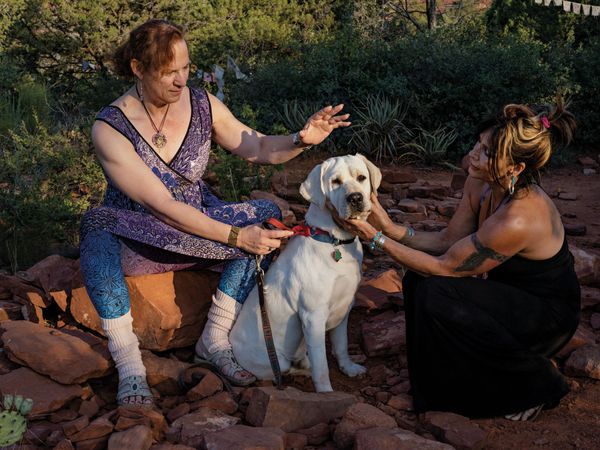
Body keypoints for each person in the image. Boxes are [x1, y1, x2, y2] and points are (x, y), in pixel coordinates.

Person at [79, 19, 350, 407]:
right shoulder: (110, 127)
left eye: (186, 68)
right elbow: (163, 207)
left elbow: (256, 147)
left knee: (268, 213)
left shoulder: (202, 104)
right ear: (138, 68)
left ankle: (214, 339)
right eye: (168, 71)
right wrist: (238, 237)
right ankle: (130, 366)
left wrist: (299, 139)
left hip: (199, 224)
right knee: (96, 226)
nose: (180, 80)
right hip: (139, 236)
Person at [338, 100, 580, 420]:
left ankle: (536, 384)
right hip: (509, 298)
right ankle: (441, 386)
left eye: (486, 152)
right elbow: (447, 241)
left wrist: (375, 238)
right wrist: (387, 225)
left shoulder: (520, 216)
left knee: (436, 289)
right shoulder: (481, 180)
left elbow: (445, 267)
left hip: (546, 316)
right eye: (478, 144)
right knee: (416, 279)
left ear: (516, 168)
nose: (474, 155)